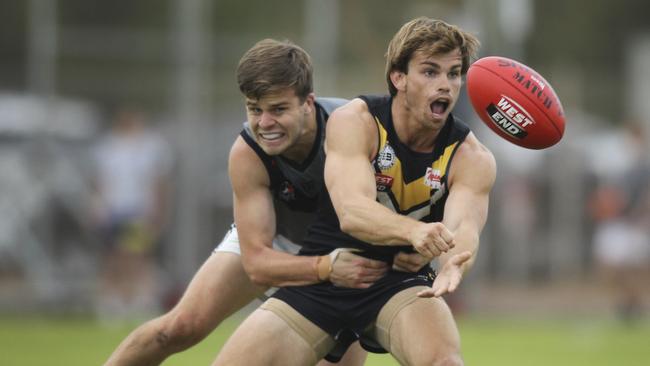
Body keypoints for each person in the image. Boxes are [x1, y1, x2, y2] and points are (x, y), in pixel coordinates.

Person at [104, 39, 429, 366]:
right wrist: (325, 266)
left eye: (278, 109)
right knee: (178, 328)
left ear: (308, 103)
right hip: (275, 241)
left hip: (351, 252)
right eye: (254, 109)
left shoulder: (358, 126)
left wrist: (414, 239)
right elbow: (257, 263)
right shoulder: (247, 153)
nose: (264, 124)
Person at [213, 18, 496, 366]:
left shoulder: (472, 157)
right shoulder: (356, 121)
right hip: (330, 271)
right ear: (399, 77)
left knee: (445, 364)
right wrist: (415, 232)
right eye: (430, 72)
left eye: (454, 74)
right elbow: (351, 211)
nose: (445, 85)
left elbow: (464, 225)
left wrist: (453, 262)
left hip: (400, 281)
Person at [92, 107, 174, 324]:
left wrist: (159, 211)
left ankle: (141, 300)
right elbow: (100, 181)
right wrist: (98, 207)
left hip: (139, 211)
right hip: (113, 211)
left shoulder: (151, 147)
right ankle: (111, 303)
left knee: (137, 256)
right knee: (113, 257)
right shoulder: (108, 147)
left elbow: (159, 182)